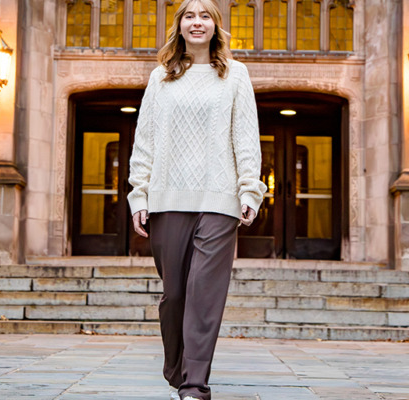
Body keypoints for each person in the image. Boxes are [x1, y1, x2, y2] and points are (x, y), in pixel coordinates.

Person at [126, 0, 267, 398]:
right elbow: (145, 140)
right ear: (180, 25)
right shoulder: (160, 78)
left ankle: (194, 384)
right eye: (190, 15)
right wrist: (139, 196)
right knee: (174, 296)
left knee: (204, 293)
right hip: (167, 200)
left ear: (216, 26)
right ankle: (177, 365)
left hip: (220, 201)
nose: (197, 22)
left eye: (205, 15)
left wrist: (249, 191)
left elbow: (245, 137)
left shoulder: (236, 76)